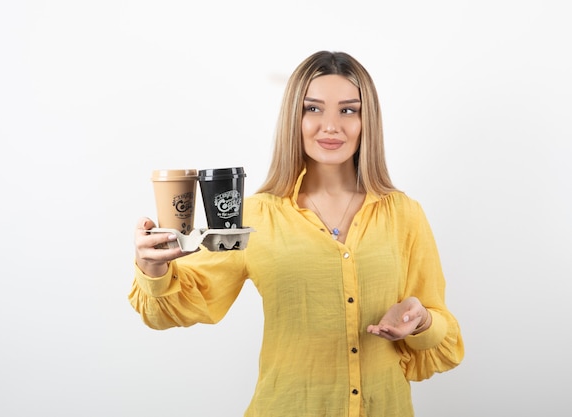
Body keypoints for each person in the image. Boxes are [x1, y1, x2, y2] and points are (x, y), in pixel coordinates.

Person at [129, 50, 464, 417]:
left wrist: (423, 321)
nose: (331, 125)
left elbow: (442, 340)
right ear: (294, 118)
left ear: (368, 120)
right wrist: (154, 269)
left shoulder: (404, 214)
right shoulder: (256, 214)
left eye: (348, 110)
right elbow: (179, 306)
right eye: (313, 109)